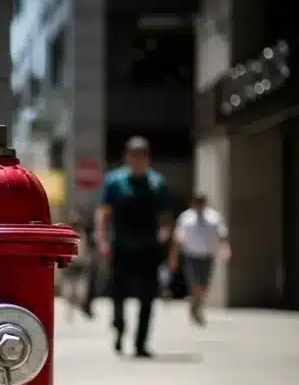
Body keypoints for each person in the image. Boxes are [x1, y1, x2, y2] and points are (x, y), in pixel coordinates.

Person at [94, 137, 173, 358]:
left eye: (142, 155)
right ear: (127, 157)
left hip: (148, 247)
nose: (138, 160)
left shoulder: (158, 183)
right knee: (118, 293)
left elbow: (166, 215)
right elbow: (103, 213)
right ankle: (119, 329)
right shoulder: (115, 182)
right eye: (134, 155)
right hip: (121, 246)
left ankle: (140, 343)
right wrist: (102, 240)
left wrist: (165, 233)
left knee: (148, 296)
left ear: (148, 158)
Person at [169, 193, 230, 326]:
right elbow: (178, 238)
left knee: (204, 284)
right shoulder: (186, 217)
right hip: (191, 255)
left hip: (207, 256)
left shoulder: (214, 217)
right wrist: (173, 257)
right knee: (194, 281)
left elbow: (222, 235)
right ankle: (195, 305)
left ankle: (197, 304)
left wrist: (225, 249)